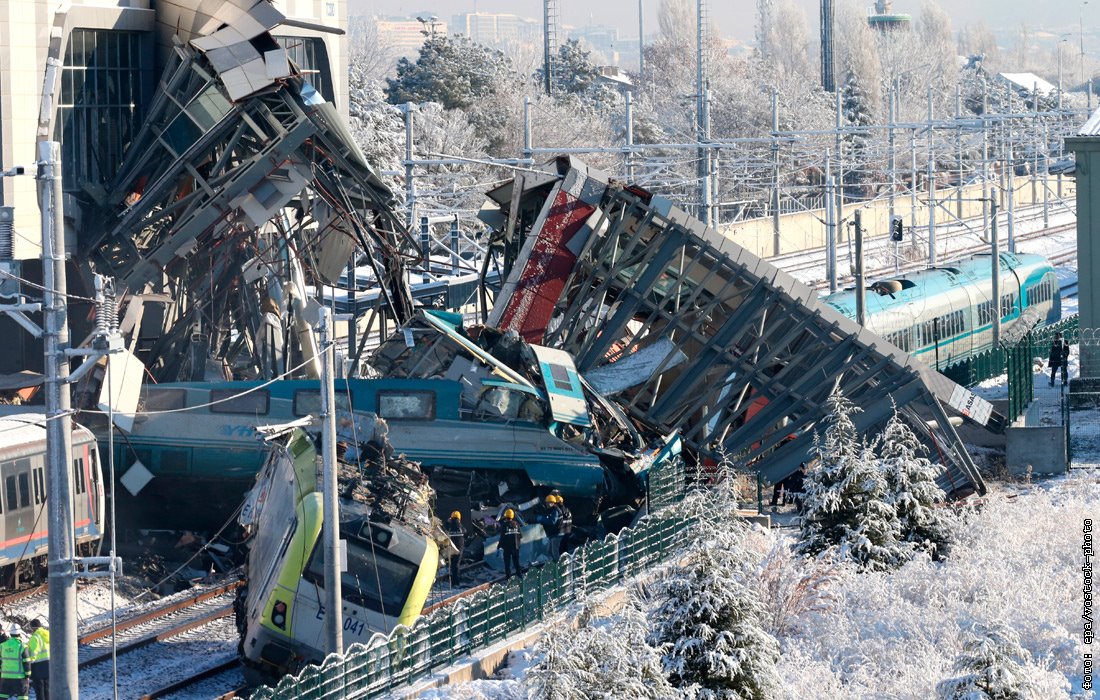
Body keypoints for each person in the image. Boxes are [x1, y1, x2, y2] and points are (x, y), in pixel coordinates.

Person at [0, 624, 29, 700]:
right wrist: (27, 675)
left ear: (10, 633)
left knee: (3, 697)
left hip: (5, 677)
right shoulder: (23, 646)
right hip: (20, 678)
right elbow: (26, 662)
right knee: (23, 697)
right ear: (19, 634)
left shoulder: (2, 646)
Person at [499, 508, 523, 579]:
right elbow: (520, 536)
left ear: (506, 516)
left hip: (507, 548)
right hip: (516, 547)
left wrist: (499, 546)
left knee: (507, 564)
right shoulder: (517, 525)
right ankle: (520, 576)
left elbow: (502, 537)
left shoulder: (504, 525)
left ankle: (508, 578)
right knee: (516, 563)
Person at [25, 620, 45, 700]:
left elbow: (32, 654)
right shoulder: (47, 634)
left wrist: (29, 664)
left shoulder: (35, 637)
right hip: (49, 664)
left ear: (33, 628)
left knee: (39, 689)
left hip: (38, 666)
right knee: (47, 687)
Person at [445, 511, 465, 586]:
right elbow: (465, 531)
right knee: (456, 565)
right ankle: (456, 582)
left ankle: (453, 582)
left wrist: (447, 522)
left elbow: (444, 528)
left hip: (451, 548)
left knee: (452, 565)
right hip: (459, 548)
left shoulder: (449, 526)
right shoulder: (460, 526)